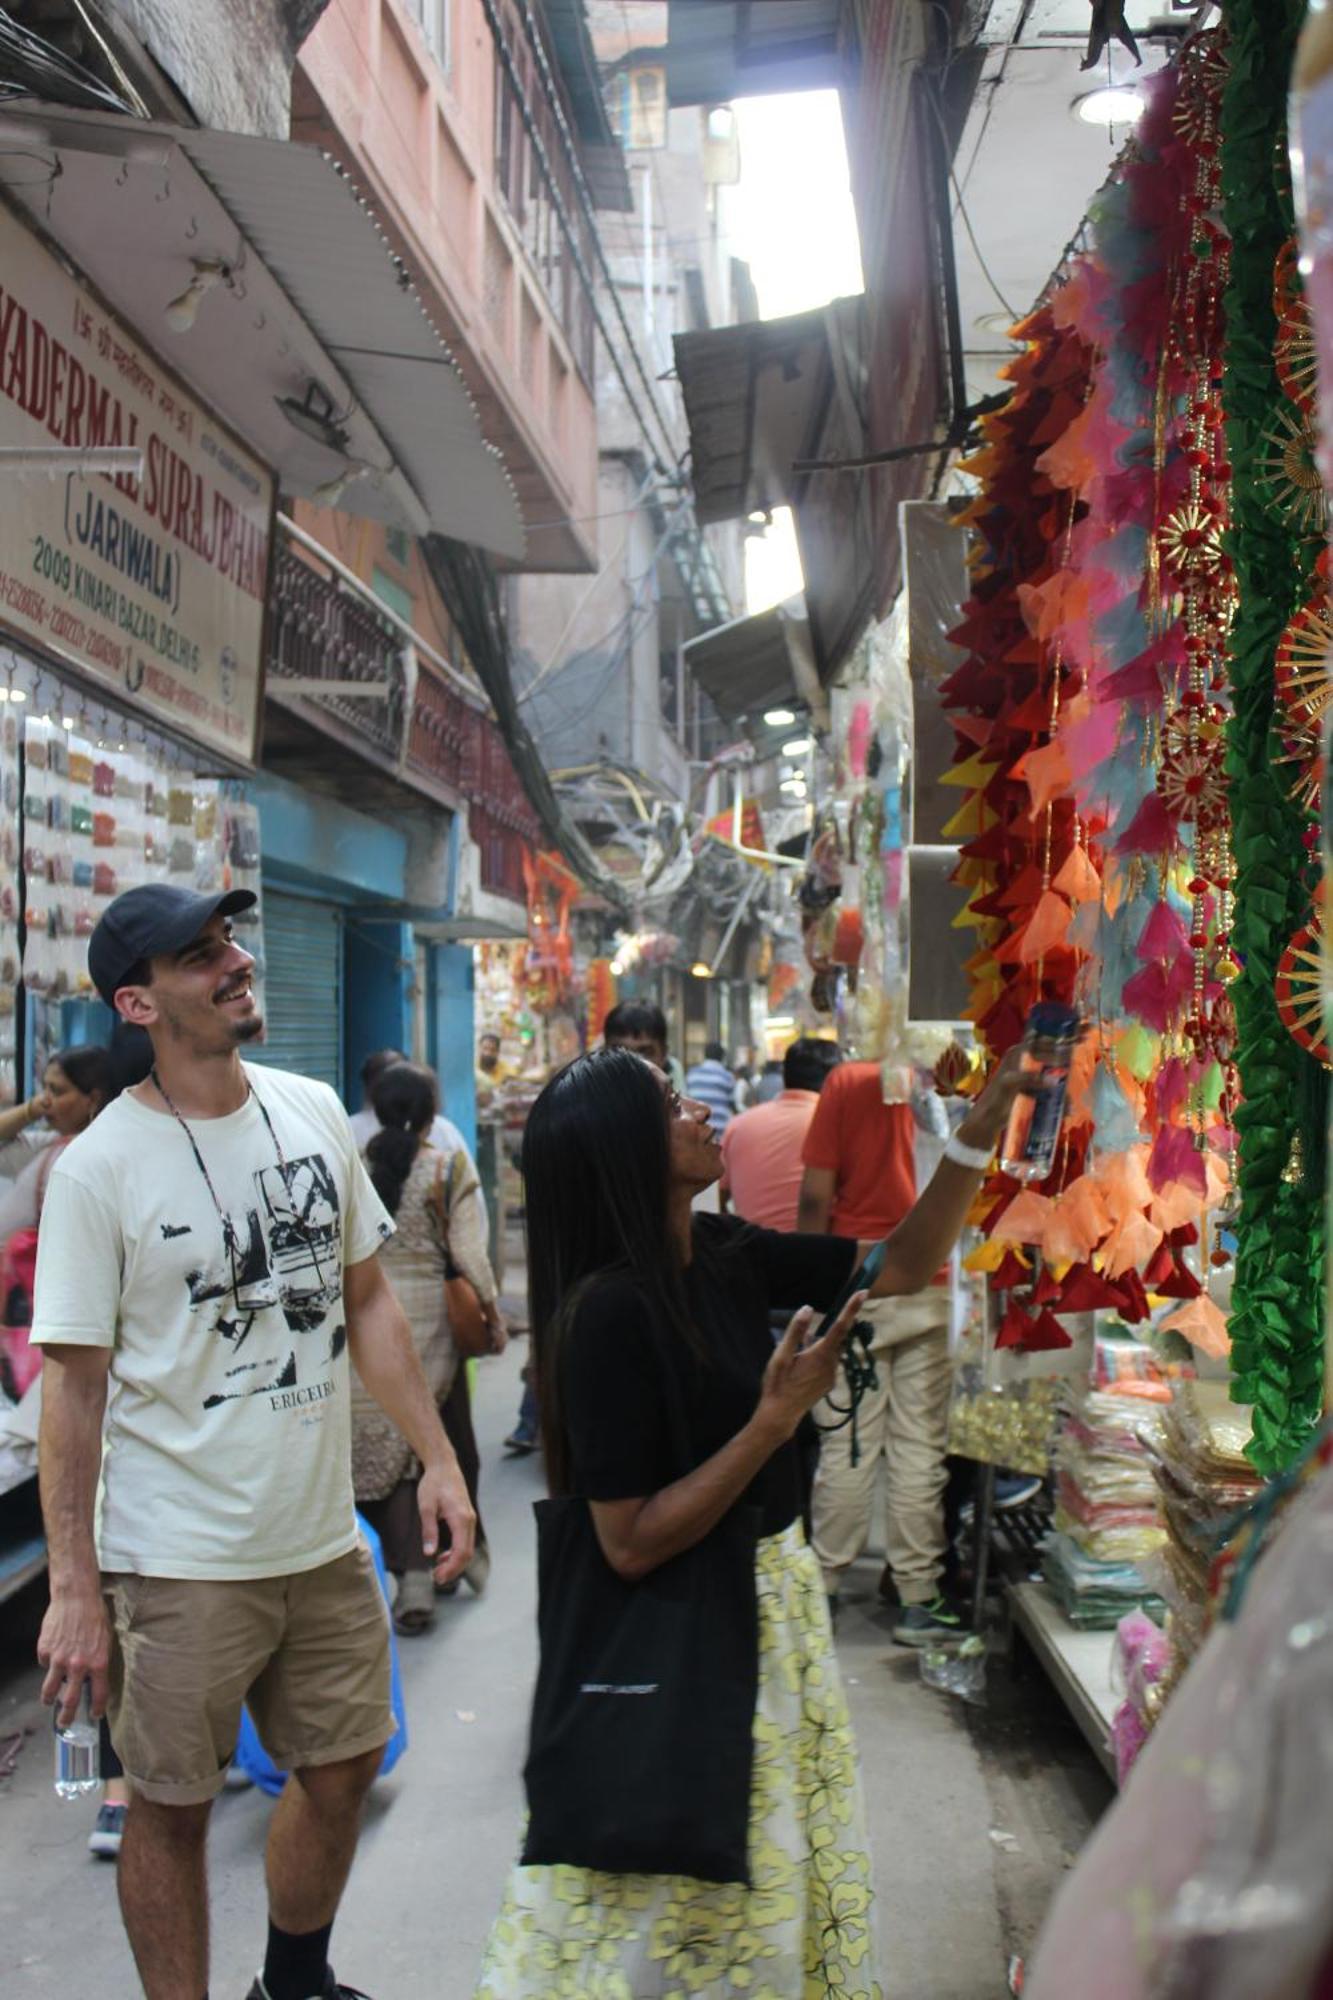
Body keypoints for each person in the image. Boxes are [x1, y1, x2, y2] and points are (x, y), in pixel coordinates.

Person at [475, 1041, 1028, 1996]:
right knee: (678, 1908)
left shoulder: (724, 1251)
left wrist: (976, 1135)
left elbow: (898, 1265)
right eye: (668, 1105)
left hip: (771, 1611)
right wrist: (773, 1422)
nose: (700, 1111)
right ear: (623, 1150)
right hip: (696, 1630)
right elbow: (629, 1539)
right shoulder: (606, 1316)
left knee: (761, 1888)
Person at [32, 882, 474, 2000]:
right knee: (170, 1805)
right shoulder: (98, 1168)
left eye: (228, 938)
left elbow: (366, 1300)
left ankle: (292, 1980)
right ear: (137, 1001)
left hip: (319, 1536)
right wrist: (75, 1586)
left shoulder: (311, 1107)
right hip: (175, 1555)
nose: (234, 962)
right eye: (198, 955)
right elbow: (72, 1394)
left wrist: (440, 1458)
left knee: (346, 1764)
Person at [798, 1060, 959, 1643]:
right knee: (920, 1445)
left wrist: (809, 1280)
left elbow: (816, 1196)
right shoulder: (953, 1071)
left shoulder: (847, 1081)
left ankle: (824, 1584)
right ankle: (918, 1596)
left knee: (848, 1441)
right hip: (933, 1283)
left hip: (858, 1284)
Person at [354, 1061, 503, 1634]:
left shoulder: (354, 1168)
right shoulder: (445, 1168)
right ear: (433, 1114)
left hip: (367, 1323)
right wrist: (491, 1313)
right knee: (440, 1444)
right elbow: (469, 1253)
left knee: (391, 1454)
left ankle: (411, 1573)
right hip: (431, 1326)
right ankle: (447, 1559)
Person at [719, 1036, 841, 1231]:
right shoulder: (835, 1127)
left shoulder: (738, 1125)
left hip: (749, 1253)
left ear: (785, 1075)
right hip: (817, 1252)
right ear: (836, 1079)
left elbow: (719, 1197)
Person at [602, 998, 686, 1092]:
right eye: (619, 1053)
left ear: (663, 1055)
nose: (631, 1065)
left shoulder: (681, 1105)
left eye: (644, 1054)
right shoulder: (586, 1102)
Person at [684, 1039, 737, 1137]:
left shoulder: (692, 1074)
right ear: (722, 1057)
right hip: (720, 1130)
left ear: (705, 1055)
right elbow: (732, 1105)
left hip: (696, 1129)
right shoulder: (727, 1076)